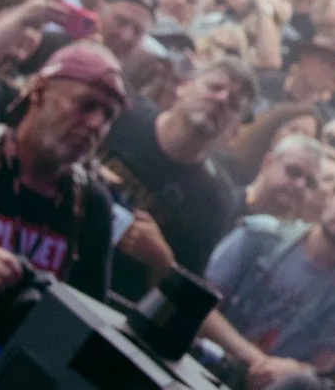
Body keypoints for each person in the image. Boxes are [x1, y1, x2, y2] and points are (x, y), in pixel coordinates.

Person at [203, 165, 335, 373]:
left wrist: (289, 370)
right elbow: (201, 304)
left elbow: (322, 367)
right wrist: (257, 360)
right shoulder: (258, 235)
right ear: (331, 196)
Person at [96, 55, 247, 274]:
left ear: (235, 130)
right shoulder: (123, 112)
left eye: (234, 104)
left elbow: (183, 291)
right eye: (215, 87)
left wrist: (162, 260)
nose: (221, 100)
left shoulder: (215, 199)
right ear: (183, 87)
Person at [0, 43, 125, 298]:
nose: (96, 125)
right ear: (40, 91)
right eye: (86, 105)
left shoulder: (92, 205)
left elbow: (82, 319)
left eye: (108, 116)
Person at [242, 132, 327, 223]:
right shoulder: (226, 205)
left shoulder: (293, 236)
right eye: (294, 172)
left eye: (310, 183)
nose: (300, 185)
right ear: (268, 163)